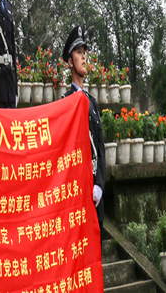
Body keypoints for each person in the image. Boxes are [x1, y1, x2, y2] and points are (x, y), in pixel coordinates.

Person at [62, 25, 106, 231]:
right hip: (77, 195)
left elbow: (100, 145)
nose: (83, 57)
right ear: (70, 62)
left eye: (84, 53)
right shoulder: (65, 103)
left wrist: (100, 184)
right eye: (78, 53)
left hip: (95, 193)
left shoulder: (92, 102)